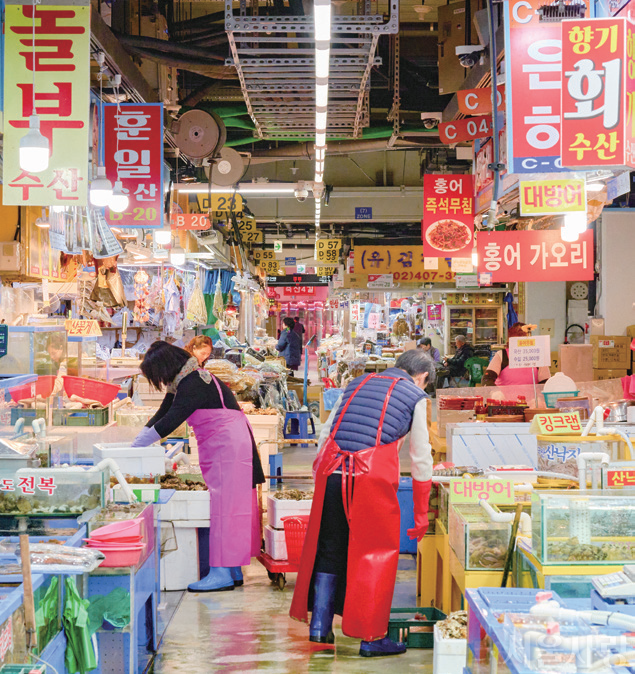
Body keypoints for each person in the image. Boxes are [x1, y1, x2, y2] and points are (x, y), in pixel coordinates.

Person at [290, 350, 435, 657]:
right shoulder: (416, 396)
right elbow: (421, 456)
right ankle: (371, 638)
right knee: (375, 554)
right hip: (369, 478)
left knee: (330, 546)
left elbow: (327, 432)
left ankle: (320, 626)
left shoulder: (357, 382)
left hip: (332, 470)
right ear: (421, 377)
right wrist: (422, 512)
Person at [131, 341, 265, 592]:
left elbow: (171, 420)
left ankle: (221, 572)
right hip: (225, 446)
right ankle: (233, 569)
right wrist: (137, 440)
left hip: (228, 448)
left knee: (224, 508)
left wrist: (136, 448)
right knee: (230, 506)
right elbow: (163, 413)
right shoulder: (186, 380)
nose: (159, 381)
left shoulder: (193, 382)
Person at [481, 322, 549, 386]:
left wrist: (540, 396)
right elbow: (487, 378)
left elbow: (546, 383)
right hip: (504, 398)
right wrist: (495, 393)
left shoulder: (537, 356)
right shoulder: (502, 355)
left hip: (532, 398)